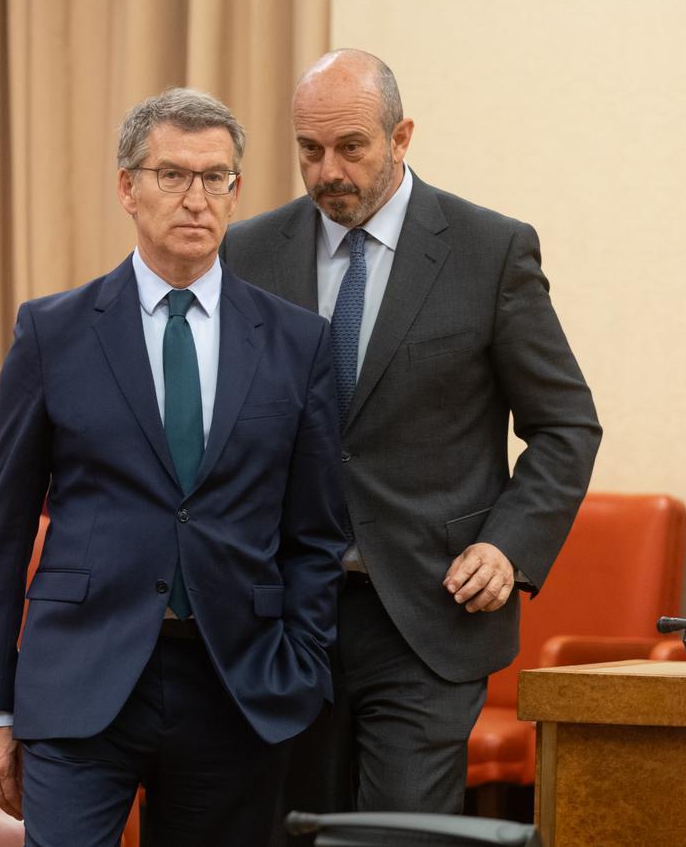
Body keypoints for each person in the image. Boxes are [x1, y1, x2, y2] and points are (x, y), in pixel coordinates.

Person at [221, 49, 602, 824]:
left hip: (429, 614)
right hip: (285, 616)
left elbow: (566, 424)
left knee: (399, 834)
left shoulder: (489, 250)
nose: (328, 170)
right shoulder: (248, 253)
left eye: (351, 147)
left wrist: (508, 546)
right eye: (308, 150)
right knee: (294, 830)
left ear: (401, 138)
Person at [0, 87, 347, 847]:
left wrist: (299, 664)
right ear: (127, 188)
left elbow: (316, 534)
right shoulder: (53, 333)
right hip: (81, 676)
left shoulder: (298, 344)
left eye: (217, 178)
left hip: (239, 684)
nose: (196, 198)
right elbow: (2, 529)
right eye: (173, 175)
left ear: (236, 194)